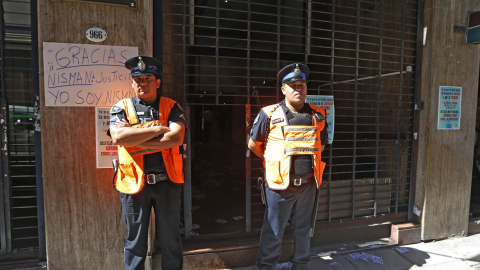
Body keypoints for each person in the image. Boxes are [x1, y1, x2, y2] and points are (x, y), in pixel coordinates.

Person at [108, 56, 186, 270]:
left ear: (157, 82)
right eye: (138, 79)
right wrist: (159, 130)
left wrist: (136, 140)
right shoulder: (121, 107)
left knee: (171, 240)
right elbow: (119, 138)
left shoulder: (172, 106)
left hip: (167, 182)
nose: (143, 83)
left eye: (148, 78)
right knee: (136, 242)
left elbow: (176, 138)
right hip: (133, 184)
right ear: (132, 82)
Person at [248, 63, 328, 270]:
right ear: (283, 89)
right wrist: (272, 162)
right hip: (280, 186)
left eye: (301, 84)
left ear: (306, 87)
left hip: (309, 185)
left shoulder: (319, 115)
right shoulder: (269, 114)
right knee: (273, 230)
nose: (297, 89)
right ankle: (267, 266)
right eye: (292, 85)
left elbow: (322, 145)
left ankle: (300, 265)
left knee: (303, 229)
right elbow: (254, 146)